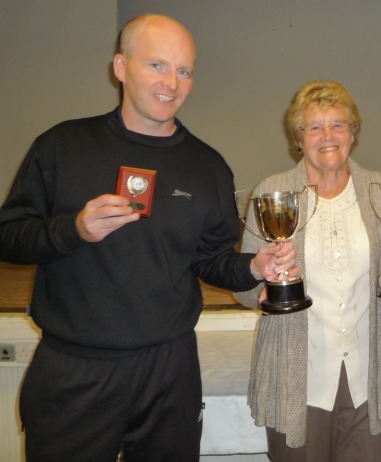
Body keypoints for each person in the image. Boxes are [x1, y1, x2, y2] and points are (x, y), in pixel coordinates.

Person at [0, 14, 295, 462]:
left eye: (184, 71)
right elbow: (8, 237)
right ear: (120, 67)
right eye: (157, 65)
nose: (172, 83)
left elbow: (210, 259)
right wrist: (72, 229)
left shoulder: (207, 165)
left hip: (169, 369)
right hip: (75, 367)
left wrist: (253, 268)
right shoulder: (62, 146)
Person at [235, 80, 381, 461]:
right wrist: (263, 283)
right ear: (298, 138)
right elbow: (243, 286)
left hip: (369, 375)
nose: (328, 135)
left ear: (354, 133)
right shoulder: (273, 191)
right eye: (314, 127)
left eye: (338, 124)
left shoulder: (378, 189)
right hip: (296, 375)